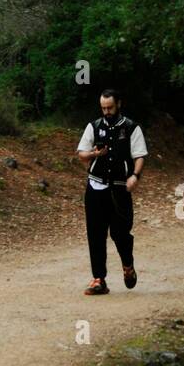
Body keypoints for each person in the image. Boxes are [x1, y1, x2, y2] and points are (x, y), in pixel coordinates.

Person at [76, 88, 148, 295]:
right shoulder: (94, 126)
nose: (106, 111)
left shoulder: (131, 128)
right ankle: (99, 279)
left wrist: (135, 176)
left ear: (119, 105)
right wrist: (93, 153)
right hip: (95, 186)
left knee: (120, 232)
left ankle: (128, 265)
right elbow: (81, 154)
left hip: (119, 187)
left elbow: (140, 155)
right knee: (95, 233)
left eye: (110, 107)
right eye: (103, 108)